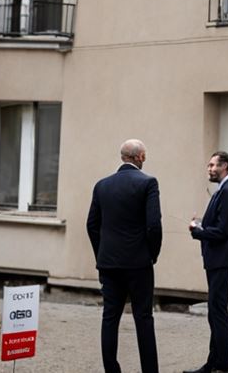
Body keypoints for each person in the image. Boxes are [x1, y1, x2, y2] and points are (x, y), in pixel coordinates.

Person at [86, 139, 162, 373]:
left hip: (108, 263)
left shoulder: (102, 185)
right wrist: (152, 254)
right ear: (139, 157)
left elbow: (91, 225)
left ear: (122, 157)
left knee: (110, 317)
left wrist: (101, 254)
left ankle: (111, 369)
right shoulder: (148, 183)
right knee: (143, 317)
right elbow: (153, 226)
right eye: (144, 155)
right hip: (139, 263)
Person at [184, 151, 228, 373]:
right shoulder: (224, 189)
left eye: (213, 165)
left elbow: (223, 231)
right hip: (217, 257)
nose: (210, 169)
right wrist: (201, 225)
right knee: (214, 311)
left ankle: (221, 365)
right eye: (209, 165)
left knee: (217, 311)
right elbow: (220, 224)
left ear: (225, 167)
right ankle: (213, 363)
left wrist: (198, 232)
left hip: (222, 257)